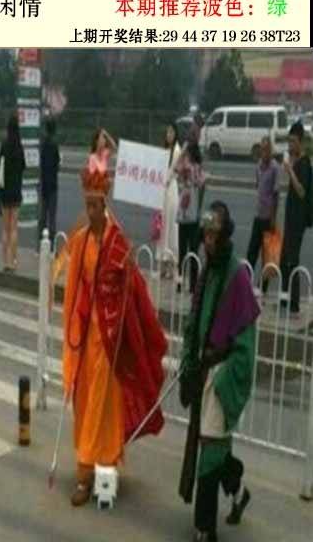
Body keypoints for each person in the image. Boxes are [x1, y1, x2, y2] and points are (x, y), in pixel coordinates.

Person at [60, 166, 168, 507]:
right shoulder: (80, 241)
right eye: (87, 205)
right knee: (85, 401)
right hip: (86, 334)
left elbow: (132, 290)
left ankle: (88, 471)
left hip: (110, 339)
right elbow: (74, 288)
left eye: (96, 206)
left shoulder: (118, 242)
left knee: (101, 405)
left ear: (104, 205)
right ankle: (95, 462)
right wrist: (72, 329)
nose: (91, 211)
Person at [178, 202, 260, 542]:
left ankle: (204, 528)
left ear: (225, 236)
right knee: (211, 443)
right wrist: (187, 361)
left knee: (210, 447)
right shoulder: (208, 270)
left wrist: (225, 380)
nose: (209, 241)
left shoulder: (238, 277)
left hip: (221, 372)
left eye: (214, 235)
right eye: (206, 235)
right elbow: (193, 323)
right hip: (203, 369)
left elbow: (246, 345)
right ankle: (238, 491)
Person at [280, 121, 312, 317]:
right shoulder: (295, 160)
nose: (290, 145)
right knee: (284, 260)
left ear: (300, 142)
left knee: (292, 260)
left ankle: (295, 305)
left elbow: (301, 191)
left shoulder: (304, 163)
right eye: (289, 141)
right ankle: (284, 299)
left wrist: (290, 170)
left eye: (293, 141)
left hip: (298, 221)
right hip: (290, 218)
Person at [245, 136, 280, 279]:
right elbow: (257, 185)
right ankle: (246, 281)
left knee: (267, 256)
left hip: (268, 218)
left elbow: (276, 194)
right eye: (262, 149)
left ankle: (263, 287)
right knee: (251, 253)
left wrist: (273, 218)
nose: (264, 153)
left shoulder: (275, 167)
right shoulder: (258, 165)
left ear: (271, 150)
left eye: (267, 149)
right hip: (258, 215)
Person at [175, 142, 207, 294]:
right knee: (193, 250)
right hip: (193, 214)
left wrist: (182, 153)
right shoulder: (197, 169)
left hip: (184, 214)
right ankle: (193, 285)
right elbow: (203, 186)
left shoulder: (187, 168)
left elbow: (175, 167)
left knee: (182, 251)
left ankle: (180, 282)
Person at [0, 115, 26, 273]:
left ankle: (5, 262)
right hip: (16, 190)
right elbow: (23, 167)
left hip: (5, 190)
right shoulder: (19, 147)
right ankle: (14, 261)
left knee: (5, 228)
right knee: (14, 228)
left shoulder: (4, 145)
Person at [157, 122, 183, 279]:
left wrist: (166, 179)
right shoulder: (165, 150)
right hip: (162, 191)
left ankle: (172, 265)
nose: (169, 135)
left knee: (171, 227)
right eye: (167, 132)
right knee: (162, 226)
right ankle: (163, 264)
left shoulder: (178, 151)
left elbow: (174, 173)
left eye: (172, 132)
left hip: (171, 190)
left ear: (176, 134)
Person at [38, 118, 61, 251]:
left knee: (42, 216)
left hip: (44, 184)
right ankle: (51, 246)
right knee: (52, 217)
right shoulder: (54, 145)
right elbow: (57, 164)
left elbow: (41, 163)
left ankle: (40, 244)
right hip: (53, 184)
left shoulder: (43, 145)